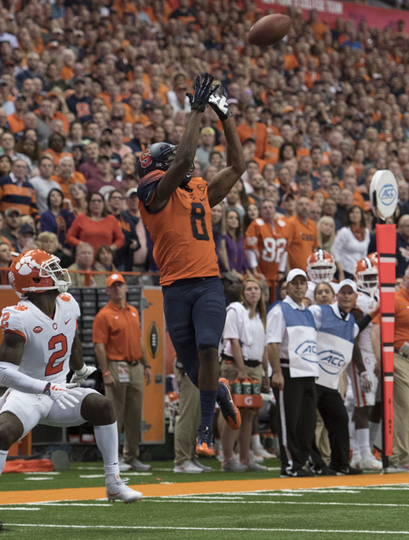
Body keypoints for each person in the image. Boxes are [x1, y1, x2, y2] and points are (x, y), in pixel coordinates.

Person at [0, 249, 141, 533]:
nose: (59, 272)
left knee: (103, 407)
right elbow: (5, 372)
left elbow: (71, 340)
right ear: (35, 280)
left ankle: (113, 482)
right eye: (50, 269)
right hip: (29, 392)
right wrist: (47, 386)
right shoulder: (19, 316)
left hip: (59, 388)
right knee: (3, 434)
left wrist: (80, 368)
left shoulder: (67, 303)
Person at [136, 73, 244, 456]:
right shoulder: (152, 194)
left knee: (208, 348)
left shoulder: (197, 190)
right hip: (175, 287)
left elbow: (236, 166)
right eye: (181, 165)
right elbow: (182, 159)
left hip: (208, 283)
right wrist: (196, 110)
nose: (194, 167)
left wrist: (226, 115)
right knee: (192, 367)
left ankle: (204, 432)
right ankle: (222, 393)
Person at [372, 265, 409, 472]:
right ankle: (402, 457)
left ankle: (401, 456)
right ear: (404, 280)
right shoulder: (394, 300)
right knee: (403, 409)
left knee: (408, 411)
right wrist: (380, 359)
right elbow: (376, 328)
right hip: (398, 359)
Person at [308, 279, 370, 476]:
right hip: (312, 377)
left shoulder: (350, 320)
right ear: (337, 295)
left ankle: (340, 464)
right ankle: (315, 463)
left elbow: (354, 340)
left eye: (349, 293)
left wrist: (362, 370)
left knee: (340, 419)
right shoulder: (319, 311)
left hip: (331, 381)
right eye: (342, 292)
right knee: (309, 423)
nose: (345, 296)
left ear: (355, 297)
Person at [93, 273, 152, 472]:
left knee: (135, 415)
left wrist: (147, 365)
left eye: (120, 285)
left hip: (135, 366)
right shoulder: (104, 315)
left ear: (126, 288)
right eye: (113, 286)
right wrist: (106, 373)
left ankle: (131, 456)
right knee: (115, 415)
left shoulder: (134, 311)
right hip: (117, 366)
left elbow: (140, 341)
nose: (117, 289)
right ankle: (114, 458)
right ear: (107, 290)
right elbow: (99, 346)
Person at [265, 269, 319, 477]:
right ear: (286, 287)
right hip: (288, 371)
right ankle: (290, 465)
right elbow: (272, 344)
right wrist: (276, 372)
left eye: (302, 283)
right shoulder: (279, 310)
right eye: (294, 283)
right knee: (290, 421)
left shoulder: (308, 312)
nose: (298, 286)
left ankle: (301, 462)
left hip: (307, 371)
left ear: (307, 287)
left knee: (307, 422)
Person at [218, 278, 268, 472]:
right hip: (235, 365)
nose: (253, 292)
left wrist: (266, 371)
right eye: (249, 289)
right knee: (233, 411)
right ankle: (228, 458)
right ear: (242, 293)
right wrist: (241, 368)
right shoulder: (235, 311)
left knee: (250, 413)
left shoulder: (260, 315)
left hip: (255, 366)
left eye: (256, 288)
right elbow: (233, 341)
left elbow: (262, 346)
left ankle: (246, 458)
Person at [349, 254, 382, 470]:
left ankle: (362, 451)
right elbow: (352, 333)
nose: (370, 281)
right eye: (366, 276)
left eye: (373, 276)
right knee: (362, 405)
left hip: (374, 356)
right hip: (361, 355)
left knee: (368, 405)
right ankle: (360, 452)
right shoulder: (356, 299)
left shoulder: (379, 294)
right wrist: (361, 368)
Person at [245, 199, 287, 302]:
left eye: (270, 207)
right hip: (261, 273)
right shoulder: (256, 225)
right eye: (265, 208)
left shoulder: (283, 225)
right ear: (260, 211)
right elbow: (249, 248)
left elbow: (285, 250)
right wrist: (255, 271)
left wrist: (281, 270)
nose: (268, 210)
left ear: (275, 210)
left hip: (276, 274)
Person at [331, 205, 370, 280]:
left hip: (359, 271)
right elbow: (334, 250)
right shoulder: (345, 231)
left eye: (357, 212)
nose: (354, 215)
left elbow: (364, 253)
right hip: (345, 270)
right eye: (352, 212)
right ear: (349, 215)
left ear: (361, 215)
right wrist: (340, 272)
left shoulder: (366, 232)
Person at [284, 196, 318, 271]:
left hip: (309, 271)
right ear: (296, 206)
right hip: (293, 271)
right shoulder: (290, 223)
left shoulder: (313, 225)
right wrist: (288, 271)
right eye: (301, 204)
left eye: (307, 204)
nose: (304, 207)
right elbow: (285, 250)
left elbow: (314, 248)